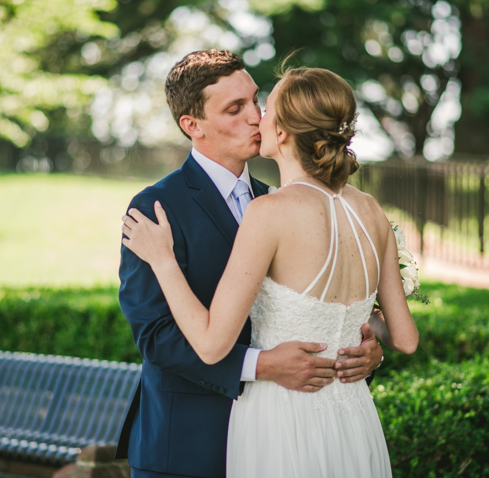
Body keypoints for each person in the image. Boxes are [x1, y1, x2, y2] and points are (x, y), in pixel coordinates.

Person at [122, 65, 419, 477]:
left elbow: (338, 310)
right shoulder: (156, 208)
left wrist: (367, 349)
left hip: (281, 431)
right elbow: (155, 336)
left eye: (257, 101)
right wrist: (261, 366)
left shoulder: (273, 202)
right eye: (234, 108)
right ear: (193, 125)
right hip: (188, 447)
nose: (253, 116)